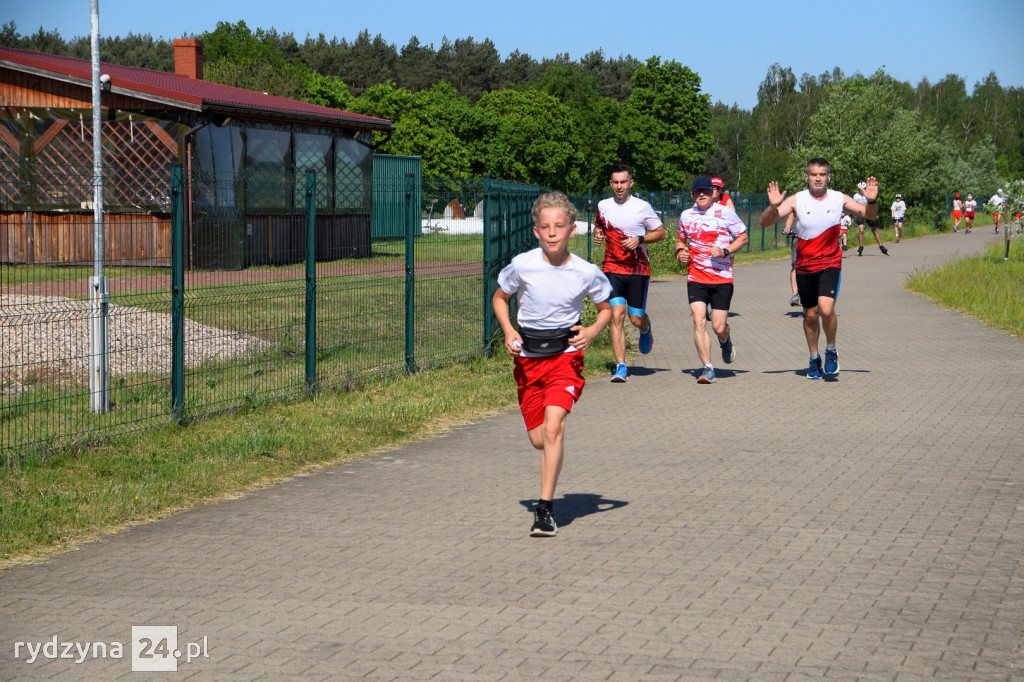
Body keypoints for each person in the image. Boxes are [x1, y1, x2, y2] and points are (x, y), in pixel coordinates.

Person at [493, 192, 613, 537]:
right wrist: (508, 329)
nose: (552, 232)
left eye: (559, 226)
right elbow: (500, 299)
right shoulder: (522, 264)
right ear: (536, 231)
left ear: (572, 230)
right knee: (538, 439)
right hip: (529, 360)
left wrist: (591, 331)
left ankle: (544, 511)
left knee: (553, 428)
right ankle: (553, 449)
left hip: (565, 358)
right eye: (545, 227)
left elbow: (607, 308)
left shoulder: (585, 271)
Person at [759, 158, 879, 379]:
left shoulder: (838, 198)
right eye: (814, 174)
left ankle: (831, 350)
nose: (818, 178)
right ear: (807, 177)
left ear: (828, 177)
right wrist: (773, 205)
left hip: (830, 263)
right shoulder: (797, 200)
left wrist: (872, 201)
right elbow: (766, 222)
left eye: (822, 174)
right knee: (811, 315)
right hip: (805, 266)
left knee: (826, 309)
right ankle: (814, 357)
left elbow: (867, 214)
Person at [593, 162, 666, 383]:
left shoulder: (642, 207)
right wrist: (597, 234)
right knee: (616, 314)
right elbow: (599, 226)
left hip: (637, 269)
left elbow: (660, 232)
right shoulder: (603, 205)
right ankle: (621, 367)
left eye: (623, 182)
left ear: (631, 183)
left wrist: (640, 239)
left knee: (635, 319)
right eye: (615, 182)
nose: (619, 186)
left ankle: (645, 326)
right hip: (612, 267)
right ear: (610, 183)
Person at [675, 176, 749, 384]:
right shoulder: (686, 216)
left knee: (718, 326)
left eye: (706, 192)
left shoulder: (725, 213)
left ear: (713, 194)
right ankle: (708, 367)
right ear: (692, 195)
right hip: (696, 276)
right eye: (698, 192)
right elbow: (680, 240)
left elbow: (743, 238)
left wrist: (725, 250)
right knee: (698, 319)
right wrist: (680, 252)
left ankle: (725, 339)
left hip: (721, 279)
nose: (702, 195)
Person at [854, 181, 888, 256]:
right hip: (860, 213)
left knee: (874, 230)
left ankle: (881, 246)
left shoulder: (868, 194)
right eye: (860, 189)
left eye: (864, 188)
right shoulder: (856, 196)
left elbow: (874, 198)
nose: (862, 190)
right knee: (861, 230)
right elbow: (853, 205)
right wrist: (851, 216)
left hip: (868, 213)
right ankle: (861, 247)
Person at [783, 212, 799, 306]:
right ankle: (795, 294)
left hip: (815, 239)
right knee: (795, 265)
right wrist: (787, 228)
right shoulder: (798, 200)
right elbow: (791, 215)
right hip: (799, 238)